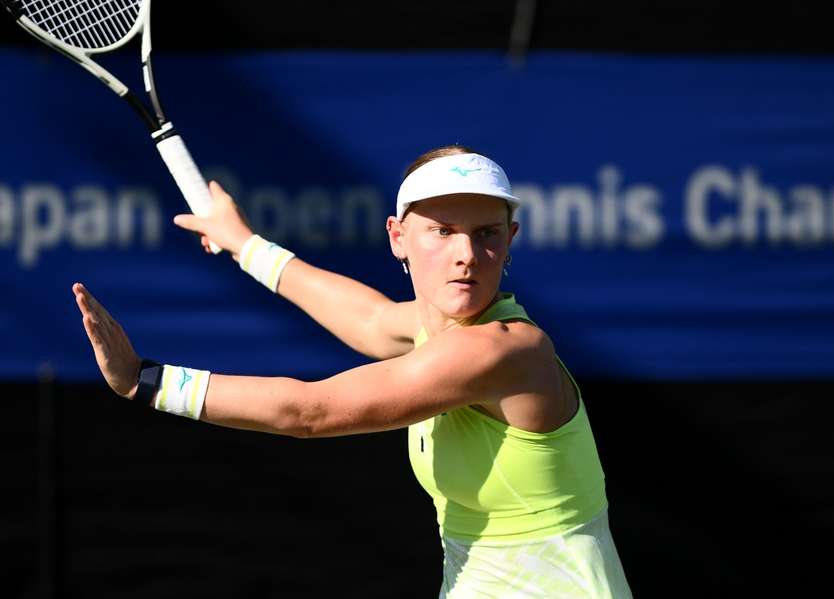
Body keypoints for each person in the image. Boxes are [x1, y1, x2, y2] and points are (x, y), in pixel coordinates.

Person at [72, 145, 633, 598]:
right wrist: (245, 244)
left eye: (486, 233)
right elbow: (367, 317)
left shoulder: (505, 351)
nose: (466, 252)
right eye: (442, 230)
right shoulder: (431, 326)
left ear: (509, 240)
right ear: (398, 238)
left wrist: (147, 381)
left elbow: (310, 413)